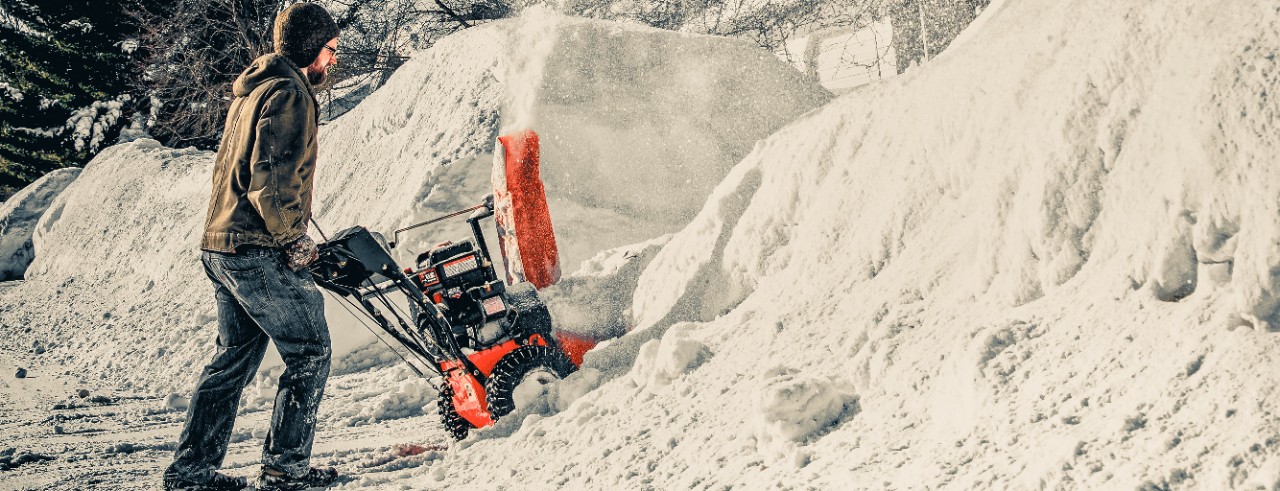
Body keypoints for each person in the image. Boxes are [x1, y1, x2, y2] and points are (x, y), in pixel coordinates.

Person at [163, 3, 340, 490]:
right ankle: (286, 469)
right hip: (254, 248)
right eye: (329, 49)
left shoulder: (254, 89)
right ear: (309, 47)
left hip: (221, 244)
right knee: (310, 351)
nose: (332, 59)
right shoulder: (288, 93)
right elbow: (272, 176)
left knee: (232, 360)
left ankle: (190, 473)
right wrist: (292, 238)